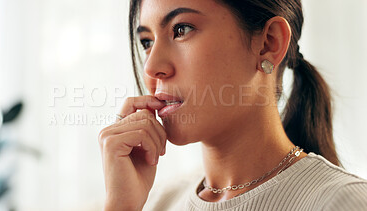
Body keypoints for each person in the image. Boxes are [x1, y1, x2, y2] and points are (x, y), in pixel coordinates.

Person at [98, 0, 367, 210]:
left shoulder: (345, 203)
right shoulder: (156, 203)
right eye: (147, 42)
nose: (152, 68)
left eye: (181, 29)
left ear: (268, 43)